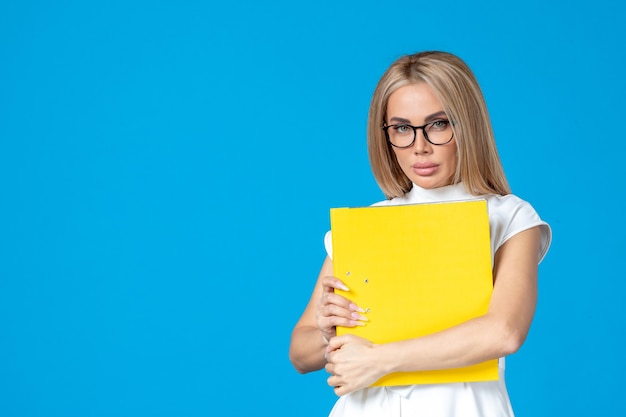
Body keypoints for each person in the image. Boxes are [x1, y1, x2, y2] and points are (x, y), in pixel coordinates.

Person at [288, 51, 551, 417]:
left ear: (468, 126)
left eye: (438, 124)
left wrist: (380, 360)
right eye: (401, 128)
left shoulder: (510, 216)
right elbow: (300, 354)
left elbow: (503, 332)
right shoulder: (367, 225)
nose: (419, 145)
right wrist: (327, 331)